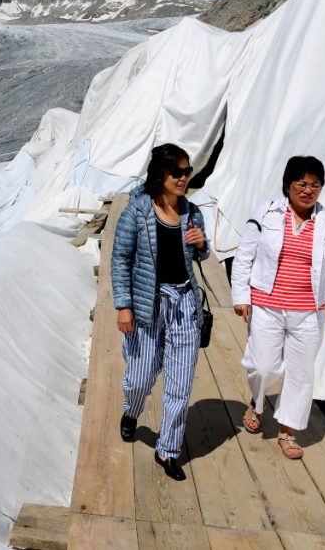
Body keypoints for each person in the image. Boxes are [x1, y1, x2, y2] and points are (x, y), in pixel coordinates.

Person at [231, 156, 325, 459]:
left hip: (308, 313)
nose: (308, 189)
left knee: (301, 373)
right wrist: (241, 296)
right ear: (288, 185)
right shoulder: (267, 213)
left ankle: (288, 429)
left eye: (315, 184)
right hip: (266, 306)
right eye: (301, 183)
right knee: (263, 366)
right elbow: (244, 256)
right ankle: (258, 400)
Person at [112, 143, 209, 481]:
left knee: (179, 384)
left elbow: (200, 256)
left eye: (187, 172)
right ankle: (131, 410)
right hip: (147, 305)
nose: (184, 178)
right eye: (177, 172)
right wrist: (123, 306)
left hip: (183, 302)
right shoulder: (138, 211)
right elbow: (120, 258)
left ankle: (167, 449)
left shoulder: (192, 212)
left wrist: (200, 245)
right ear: (160, 175)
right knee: (140, 377)